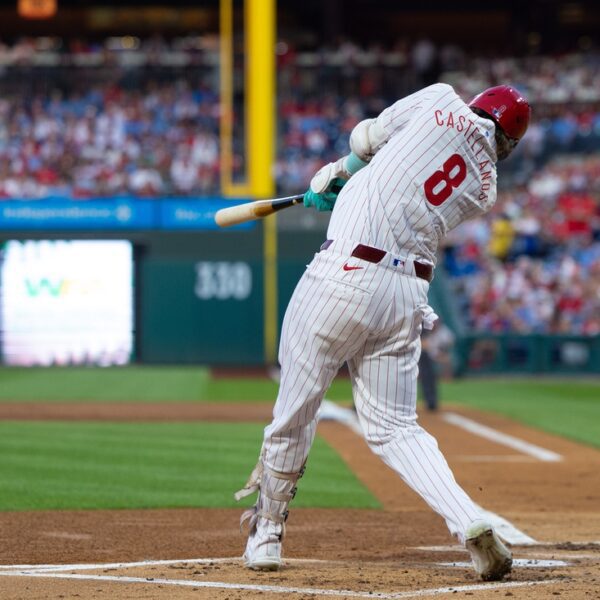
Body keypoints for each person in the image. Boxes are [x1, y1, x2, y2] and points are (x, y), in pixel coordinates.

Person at [235, 83, 530, 581]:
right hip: (406, 296)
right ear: (508, 142)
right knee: (396, 427)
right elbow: (403, 179)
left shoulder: (441, 98)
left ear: (479, 104)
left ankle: (266, 534)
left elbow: (366, 137)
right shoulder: (485, 186)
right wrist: (347, 182)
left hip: (343, 276)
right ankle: (469, 520)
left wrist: (339, 174)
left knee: (294, 412)